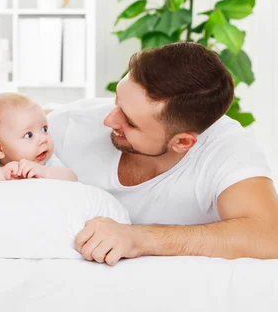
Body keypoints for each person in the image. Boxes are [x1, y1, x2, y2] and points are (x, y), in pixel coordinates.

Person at [44, 42, 278, 265]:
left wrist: (139, 238)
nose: (108, 119)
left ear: (183, 142)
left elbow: (268, 235)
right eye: (117, 101)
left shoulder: (226, 149)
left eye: (131, 123)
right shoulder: (73, 124)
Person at [0, 93, 77, 184]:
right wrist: (2, 174)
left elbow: (72, 178)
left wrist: (43, 172)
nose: (43, 139)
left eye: (44, 129)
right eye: (28, 135)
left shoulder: (48, 163)